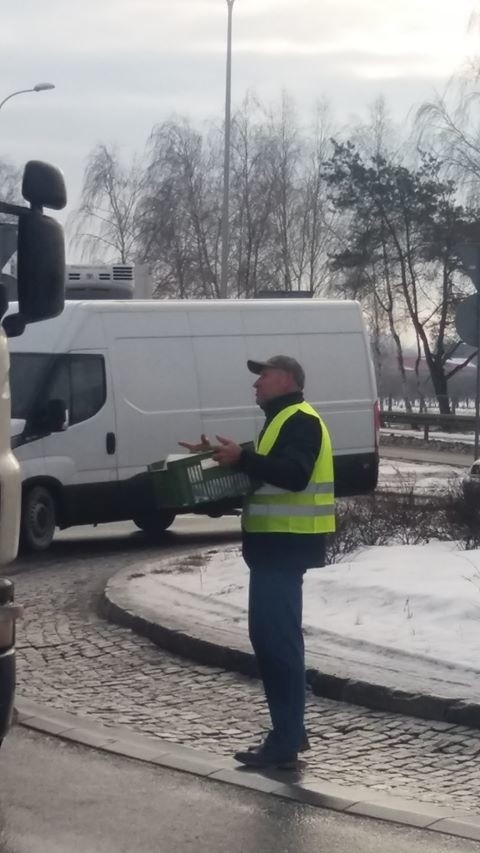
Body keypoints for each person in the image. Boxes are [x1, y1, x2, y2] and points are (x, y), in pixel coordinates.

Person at [179, 355, 335, 769]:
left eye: (262, 376)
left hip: (284, 549)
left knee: (276, 644)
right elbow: (268, 469)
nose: (256, 384)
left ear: (286, 379)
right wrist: (220, 455)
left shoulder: (300, 419)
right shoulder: (281, 420)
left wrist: (243, 459)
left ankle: (286, 740)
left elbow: (294, 474)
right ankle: (290, 733)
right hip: (275, 549)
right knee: (275, 642)